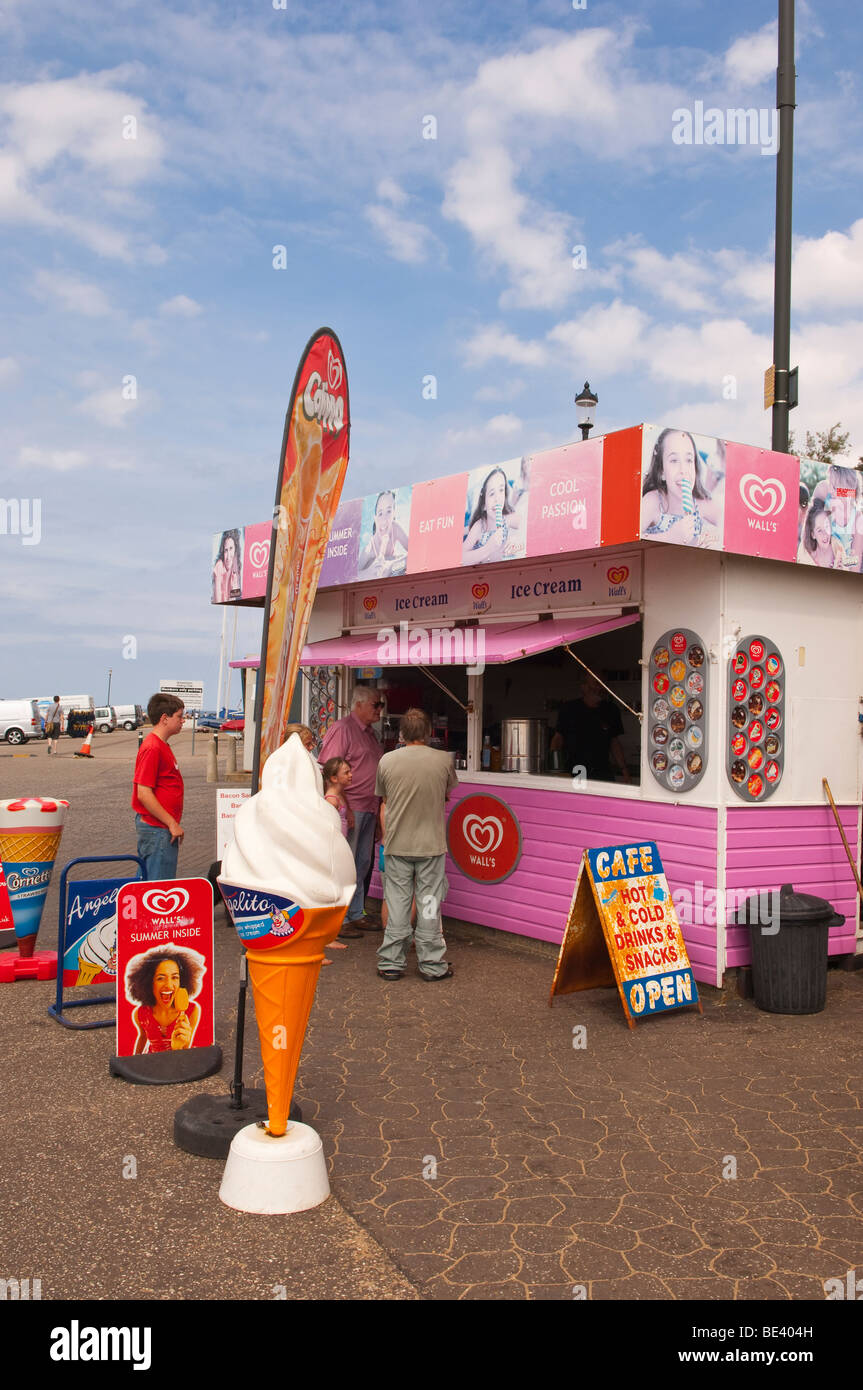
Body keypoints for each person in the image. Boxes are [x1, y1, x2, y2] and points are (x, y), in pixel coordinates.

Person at [375, 707, 458, 982]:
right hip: (431, 845)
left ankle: (391, 963)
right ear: (428, 732)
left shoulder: (387, 760)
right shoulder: (443, 760)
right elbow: (446, 794)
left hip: (397, 843)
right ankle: (432, 963)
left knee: (397, 902)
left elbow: (385, 799)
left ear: (401, 734)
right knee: (430, 902)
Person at [319, 686, 385, 937]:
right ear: (358, 704)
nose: (380, 710)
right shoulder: (344, 729)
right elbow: (330, 771)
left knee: (362, 863)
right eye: (376, 705)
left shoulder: (370, 733)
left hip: (368, 806)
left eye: (380, 705)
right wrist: (342, 807)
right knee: (345, 864)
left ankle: (356, 913)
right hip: (352, 807)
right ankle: (340, 918)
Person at [132, 693, 185, 881]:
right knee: (156, 887)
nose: (183, 721)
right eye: (179, 716)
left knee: (149, 883)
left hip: (160, 828)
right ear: (164, 718)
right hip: (157, 829)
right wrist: (171, 823)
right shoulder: (153, 747)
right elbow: (144, 793)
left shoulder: (162, 746)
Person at [641, 428, 721, 547]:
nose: (683, 470)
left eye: (689, 460)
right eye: (674, 460)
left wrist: (714, 539)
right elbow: (628, 535)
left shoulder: (701, 504)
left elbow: (733, 528)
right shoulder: (654, 501)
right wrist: (668, 537)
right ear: (661, 471)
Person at [550, 675, 631, 784]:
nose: (601, 688)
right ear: (584, 687)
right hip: (576, 770)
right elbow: (558, 739)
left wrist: (625, 772)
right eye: (596, 683)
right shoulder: (569, 709)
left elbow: (614, 742)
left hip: (602, 771)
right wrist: (555, 771)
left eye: (603, 684)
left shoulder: (611, 710)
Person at [126, 945, 204, 1054]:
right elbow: (142, 1037)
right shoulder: (140, 1013)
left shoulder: (191, 1011)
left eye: (175, 977)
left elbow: (186, 1049)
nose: (168, 985)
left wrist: (178, 1045)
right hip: (150, 1062)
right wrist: (134, 1059)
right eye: (160, 978)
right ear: (149, 982)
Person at [462, 466, 523, 564]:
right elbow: (461, 558)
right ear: (484, 505)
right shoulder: (480, 526)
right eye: (491, 494)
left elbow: (527, 526)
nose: (497, 498)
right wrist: (487, 548)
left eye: (501, 490)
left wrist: (516, 540)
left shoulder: (507, 520)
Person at [358, 491, 409, 578]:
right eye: (380, 513)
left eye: (389, 511)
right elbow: (352, 576)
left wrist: (393, 563)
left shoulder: (395, 528)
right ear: (375, 519)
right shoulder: (368, 550)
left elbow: (415, 552)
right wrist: (369, 572)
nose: (384, 519)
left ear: (394, 513)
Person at [799, 498, 843, 568]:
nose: (825, 534)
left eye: (826, 526)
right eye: (819, 530)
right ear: (813, 534)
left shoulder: (837, 547)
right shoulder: (806, 556)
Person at [212, 529, 242, 602]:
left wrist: (234, 576)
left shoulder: (237, 566)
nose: (228, 556)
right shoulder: (219, 567)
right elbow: (217, 598)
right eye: (226, 550)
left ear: (236, 549)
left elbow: (235, 596)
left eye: (231, 548)